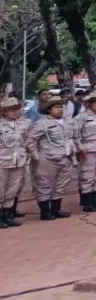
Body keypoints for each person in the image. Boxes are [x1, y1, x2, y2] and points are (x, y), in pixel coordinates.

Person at [27, 94, 74, 219]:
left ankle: (56, 209)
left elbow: (71, 138)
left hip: (65, 158)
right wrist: (36, 157)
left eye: (61, 107)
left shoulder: (67, 122)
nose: (60, 109)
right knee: (44, 185)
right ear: (49, 109)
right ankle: (45, 211)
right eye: (57, 107)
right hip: (47, 159)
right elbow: (31, 141)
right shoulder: (41, 124)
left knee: (60, 185)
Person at [1, 96, 32, 228]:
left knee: (12, 190)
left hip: (18, 161)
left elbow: (27, 141)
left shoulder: (23, 124)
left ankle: (8, 215)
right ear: (4, 111)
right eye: (11, 110)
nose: (14, 112)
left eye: (17, 109)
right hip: (2, 161)